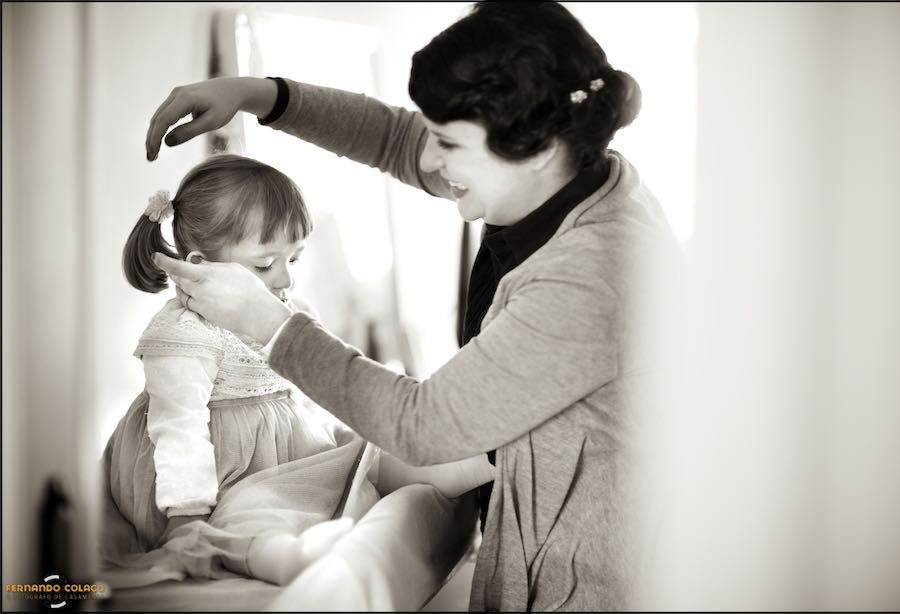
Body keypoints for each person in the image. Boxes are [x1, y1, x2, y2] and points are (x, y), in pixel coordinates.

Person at [147, 1, 681, 610]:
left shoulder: (590, 275)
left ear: (532, 148)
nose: (428, 160)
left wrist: (272, 324)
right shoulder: (565, 173)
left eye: (447, 143)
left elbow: (423, 426)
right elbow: (396, 139)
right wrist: (259, 94)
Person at [102, 153, 495, 588]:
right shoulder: (187, 334)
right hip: (224, 475)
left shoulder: (285, 307)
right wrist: (187, 514)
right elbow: (178, 427)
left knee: (366, 453)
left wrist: (341, 432)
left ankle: (478, 460)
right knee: (252, 512)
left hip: (287, 449)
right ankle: (287, 558)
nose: (285, 279)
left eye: (294, 259)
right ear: (200, 266)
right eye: (264, 265)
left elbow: (313, 388)